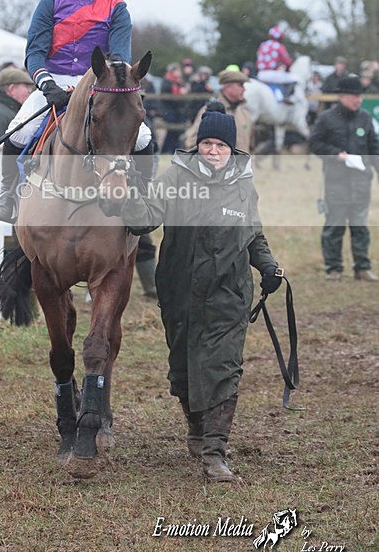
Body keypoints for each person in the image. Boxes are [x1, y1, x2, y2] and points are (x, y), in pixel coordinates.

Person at [121, 101, 283, 481]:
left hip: (229, 292)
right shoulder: (175, 178)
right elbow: (145, 220)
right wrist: (124, 195)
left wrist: (269, 266)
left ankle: (216, 452)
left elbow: (253, 233)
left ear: (232, 148)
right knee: (183, 370)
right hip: (180, 290)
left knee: (223, 369)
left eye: (220, 146)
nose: (213, 151)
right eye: (208, 144)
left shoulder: (244, 184)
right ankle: (196, 428)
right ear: (198, 145)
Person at [0, 0, 152, 223]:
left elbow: (118, 59)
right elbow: (35, 52)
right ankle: (8, 192)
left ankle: (140, 196)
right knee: (18, 131)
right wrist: (46, 83)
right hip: (53, 81)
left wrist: (98, 85)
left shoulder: (117, 7)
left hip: (97, 84)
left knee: (143, 137)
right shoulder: (50, 1)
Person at [309, 75, 379, 282]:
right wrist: (334, 154)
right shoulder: (327, 118)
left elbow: (374, 146)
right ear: (342, 96)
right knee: (334, 226)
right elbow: (314, 143)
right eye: (354, 96)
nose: (358, 100)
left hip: (361, 182)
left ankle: (362, 268)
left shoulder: (365, 118)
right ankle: (334, 268)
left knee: (360, 226)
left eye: (360, 96)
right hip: (335, 182)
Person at [0, 67, 34, 293]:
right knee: (3, 247)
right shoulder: (3, 115)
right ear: (12, 89)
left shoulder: (4, 110)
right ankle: (2, 292)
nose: (30, 93)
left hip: (7, 188)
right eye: (26, 88)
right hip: (2, 189)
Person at [182, 68, 254, 153]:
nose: (244, 89)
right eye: (240, 85)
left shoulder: (245, 115)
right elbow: (191, 143)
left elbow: (251, 148)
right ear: (228, 86)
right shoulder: (209, 112)